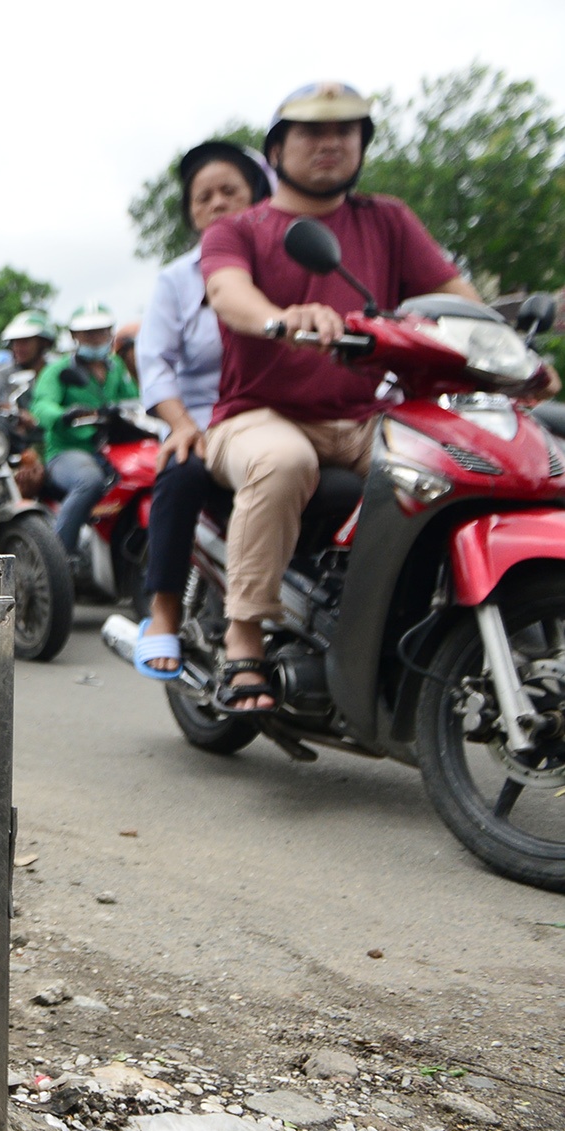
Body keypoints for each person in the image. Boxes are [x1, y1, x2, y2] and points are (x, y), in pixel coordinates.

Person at [197, 82, 557, 711]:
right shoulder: (238, 229)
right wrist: (283, 320)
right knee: (284, 462)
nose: (331, 143)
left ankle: (423, 618)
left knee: (464, 461)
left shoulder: (387, 218)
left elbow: (456, 297)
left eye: (346, 131)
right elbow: (232, 297)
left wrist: (512, 357)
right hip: (257, 414)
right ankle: (244, 638)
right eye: (311, 132)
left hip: (366, 417)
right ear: (277, 150)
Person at [132, 139, 275, 678]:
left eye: (229, 192)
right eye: (203, 197)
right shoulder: (176, 279)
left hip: (277, 419)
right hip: (200, 422)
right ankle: (164, 611)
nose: (216, 204)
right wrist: (181, 424)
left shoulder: (285, 265)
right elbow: (155, 359)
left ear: (259, 196)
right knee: (182, 471)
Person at [32, 303, 139, 548]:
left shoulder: (116, 367)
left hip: (113, 450)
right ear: (74, 336)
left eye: (101, 331)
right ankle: (61, 557)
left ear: (110, 332)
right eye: (88, 332)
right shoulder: (57, 370)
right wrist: (64, 414)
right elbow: (42, 406)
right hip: (67, 452)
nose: (95, 338)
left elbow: (134, 399)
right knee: (89, 481)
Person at [0, 310, 54, 419]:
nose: (18, 347)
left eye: (25, 341)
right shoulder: (2, 375)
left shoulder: (55, 372)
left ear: (44, 343)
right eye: (15, 342)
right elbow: (3, 406)